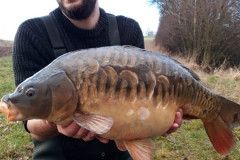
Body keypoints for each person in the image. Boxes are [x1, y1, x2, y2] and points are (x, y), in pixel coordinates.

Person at [12, 0, 183, 159]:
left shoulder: (128, 29)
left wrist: (158, 120)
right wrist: (57, 120)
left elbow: (144, 101)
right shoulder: (32, 33)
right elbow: (31, 123)